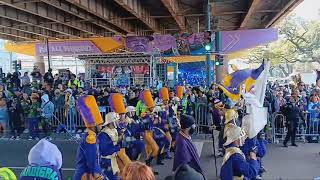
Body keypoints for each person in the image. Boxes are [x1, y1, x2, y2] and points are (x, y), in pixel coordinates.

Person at [74, 95, 104, 180]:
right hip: (85, 176)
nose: (101, 126)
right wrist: (97, 174)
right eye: (100, 124)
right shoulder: (91, 138)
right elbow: (92, 161)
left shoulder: (92, 136)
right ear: (94, 125)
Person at [98, 112, 121, 180]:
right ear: (112, 122)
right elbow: (105, 151)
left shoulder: (114, 130)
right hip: (106, 161)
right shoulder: (103, 134)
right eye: (116, 120)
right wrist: (118, 147)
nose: (118, 121)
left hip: (113, 159)